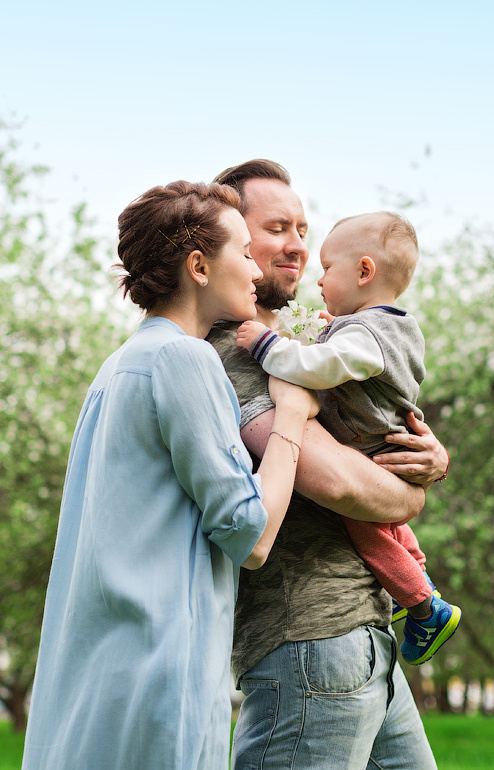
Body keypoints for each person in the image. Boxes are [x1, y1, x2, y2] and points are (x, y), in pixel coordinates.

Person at [22, 181, 319, 769]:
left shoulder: (119, 367)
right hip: (161, 679)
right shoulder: (185, 359)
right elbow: (251, 537)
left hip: (103, 682)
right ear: (199, 266)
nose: (255, 266)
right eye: (241, 250)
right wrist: (291, 413)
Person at [205, 160, 447, 769]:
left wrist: (430, 456)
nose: (297, 247)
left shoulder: (301, 345)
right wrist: (411, 493)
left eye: (303, 230)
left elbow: (367, 421)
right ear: (226, 241)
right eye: (276, 228)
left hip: (360, 641)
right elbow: (341, 483)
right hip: (308, 643)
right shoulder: (228, 357)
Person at [235, 211, 461, 666]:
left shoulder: (364, 333)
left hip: (354, 629)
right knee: (391, 527)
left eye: (326, 267)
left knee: (369, 530)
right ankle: (419, 586)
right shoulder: (377, 328)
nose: (314, 273)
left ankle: (419, 601)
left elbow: (322, 370)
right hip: (315, 633)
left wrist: (266, 345)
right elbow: (342, 480)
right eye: (276, 229)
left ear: (364, 272)